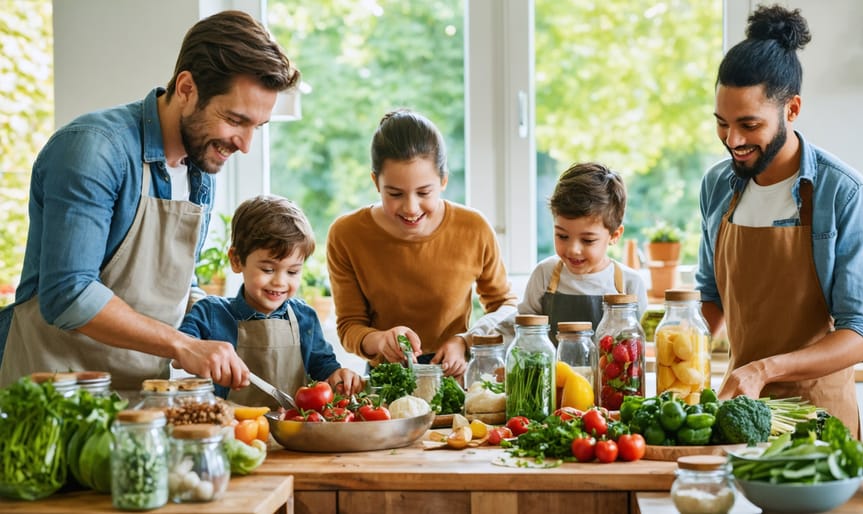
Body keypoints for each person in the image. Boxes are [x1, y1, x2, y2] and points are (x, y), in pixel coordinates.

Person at [0, 10, 300, 394]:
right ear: (187, 88)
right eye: (235, 119)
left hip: (140, 408)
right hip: (53, 398)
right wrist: (183, 345)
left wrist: (228, 324)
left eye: (256, 127)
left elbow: (171, 290)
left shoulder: (200, 171)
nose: (244, 144)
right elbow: (69, 295)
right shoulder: (95, 150)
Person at [695, 5, 863, 438]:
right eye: (722, 124)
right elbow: (710, 298)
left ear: (792, 109)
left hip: (817, 423)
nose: (733, 140)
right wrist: (680, 346)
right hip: (738, 414)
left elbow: (861, 333)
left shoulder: (845, 195)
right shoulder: (717, 186)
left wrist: (764, 370)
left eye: (749, 124)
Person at [327, 109, 517, 378]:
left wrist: (466, 341)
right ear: (375, 183)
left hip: (456, 380)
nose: (411, 207)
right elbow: (350, 327)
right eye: (394, 193)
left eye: (424, 192)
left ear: (443, 181)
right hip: (388, 383)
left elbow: (505, 307)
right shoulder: (347, 234)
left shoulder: (473, 228)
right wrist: (382, 340)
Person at [179, 195, 363, 407]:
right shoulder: (210, 313)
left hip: (292, 434)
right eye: (268, 269)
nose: (280, 282)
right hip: (231, 432)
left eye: (293, 271)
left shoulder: (305, 317)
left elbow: (324, 368)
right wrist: (192, 350)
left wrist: (338, 376)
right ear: (237, 260)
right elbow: (181, 346)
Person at [498, 162, 647, 343]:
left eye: (588, 240)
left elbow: (637, 346)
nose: (573, 250)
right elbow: (522, 331)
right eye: (562, 236)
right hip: (555, 372)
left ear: (614, 235)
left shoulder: (630, 284)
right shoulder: (545, 274)